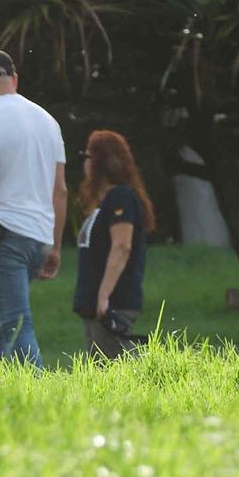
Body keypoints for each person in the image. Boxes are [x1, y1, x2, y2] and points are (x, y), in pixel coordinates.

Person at [0, 48, 66, 368]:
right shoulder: (48, 121)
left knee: (15, 322)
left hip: (7, 238)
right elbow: (60, 190)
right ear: (15, 80)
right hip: (39, 238)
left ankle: (40, 395)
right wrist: (55, 247)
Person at [73, 130, 154, 358]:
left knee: (116, 369)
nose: (84, 164)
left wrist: (104, 296)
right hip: (96, 304)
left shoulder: (121, 198)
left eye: (86, 157)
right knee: (101, 371)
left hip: (113, 301)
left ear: (100, 162)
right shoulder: (104, 203)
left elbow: (122, 246)